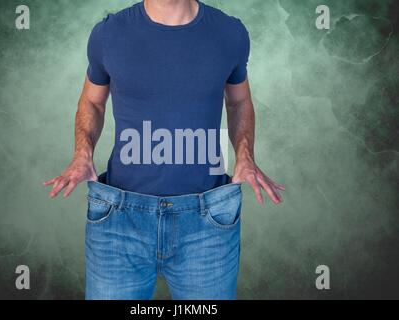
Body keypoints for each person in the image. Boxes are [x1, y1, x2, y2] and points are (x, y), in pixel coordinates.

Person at [44, 0, 285, 300]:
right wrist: (83, 152)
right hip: (119, 218)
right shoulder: (109, 34)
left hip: (207, 220)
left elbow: (239, 101)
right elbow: (92, 101)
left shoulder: (229, 33)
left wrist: (245, 155)